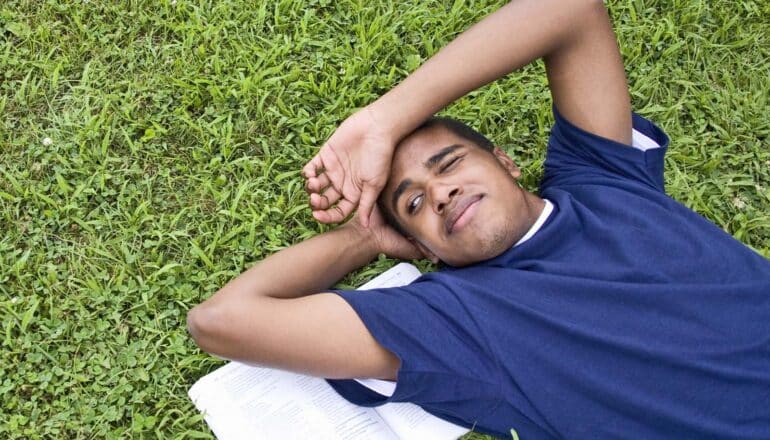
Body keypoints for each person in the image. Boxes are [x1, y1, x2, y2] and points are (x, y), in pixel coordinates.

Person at [186, 0, 770, 438]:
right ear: (421, 248)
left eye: (449, 163)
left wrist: (384, 121)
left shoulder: (601, 178)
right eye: (413, 204)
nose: (439, 193)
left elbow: (570, 10)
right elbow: (221, 320)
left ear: (506, 162)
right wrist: (363, 236)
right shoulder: (457, 322)